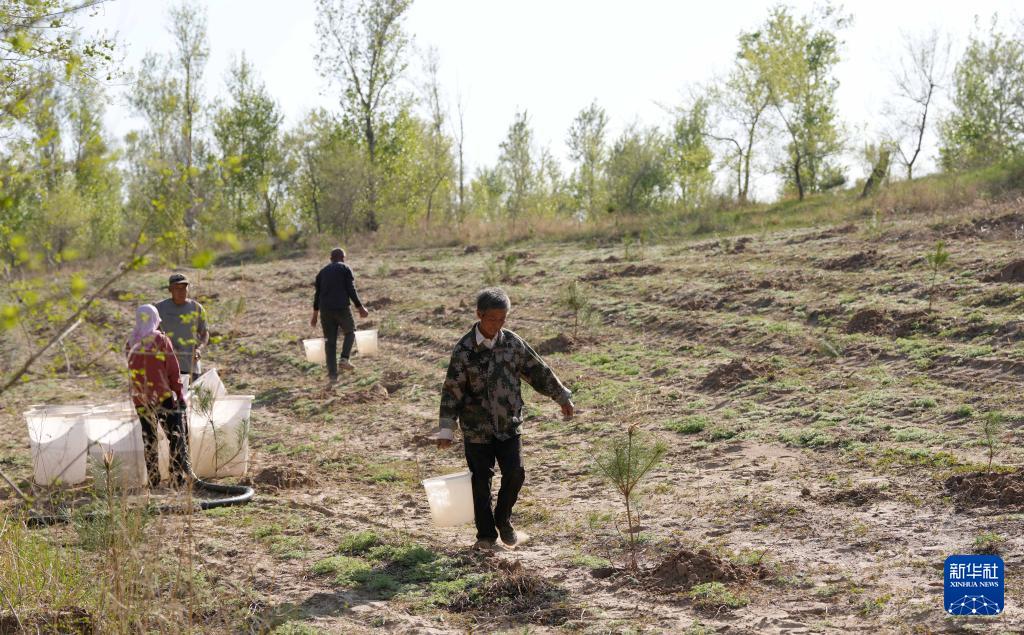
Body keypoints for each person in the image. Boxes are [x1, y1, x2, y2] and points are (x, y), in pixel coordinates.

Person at [435, 287, 575, 549]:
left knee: (515, 472)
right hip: (477, 428)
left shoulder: (512, 343)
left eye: (503, 319)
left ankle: (504, 519)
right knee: (481, 480)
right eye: (493, 319)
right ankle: (486, 536)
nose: (498, 324)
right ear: (479, 315)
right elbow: (452, 390)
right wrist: (446, 428)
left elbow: (538, 371)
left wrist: (561, 396)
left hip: (509, 423)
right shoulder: (464, 350)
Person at [126, 304, 190, 488]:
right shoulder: (161, 340)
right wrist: (179, 393)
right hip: (162, 396)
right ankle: (177, 479)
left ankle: (153, 480)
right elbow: (173, 369)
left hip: (140, 398)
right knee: (175, 436)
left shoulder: (130, 342)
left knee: (149, 439)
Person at [310, 247, 370, 382]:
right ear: (343, 258)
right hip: (341, 308)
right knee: (350, 332)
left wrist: (314, 315)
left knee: (329, 342)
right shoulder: (344, 268)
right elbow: (351, 289)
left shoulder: (321, 273)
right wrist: (360, 307)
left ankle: (332, 375)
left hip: (325, 310)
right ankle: (344, 359)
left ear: (330, 259)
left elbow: (317, 295)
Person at [155, 273, 209, 380]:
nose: (181, 291)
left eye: (184, 288)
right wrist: (167, 347)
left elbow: (204, 333)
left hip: (191, 366)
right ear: (170, 290)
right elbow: (153, 334)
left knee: (189, 395)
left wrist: (199, 349)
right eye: (177, 288)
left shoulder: (196, 308)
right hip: (167, 366)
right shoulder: (159, 308)